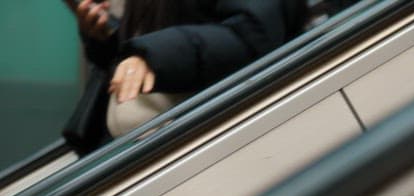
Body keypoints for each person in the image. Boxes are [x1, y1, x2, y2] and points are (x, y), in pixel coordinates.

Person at [63, 0, 308, 150]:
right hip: (145, 143)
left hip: (214, 141)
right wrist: (101, 37)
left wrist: (156, 57)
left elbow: (253, 36)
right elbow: (141, 41)